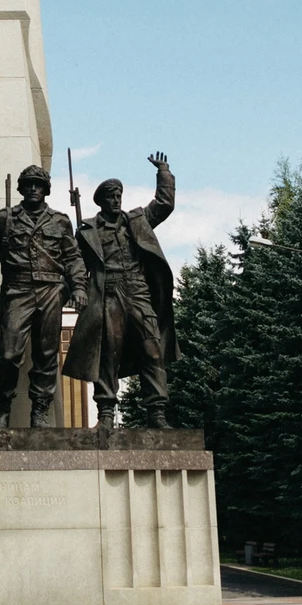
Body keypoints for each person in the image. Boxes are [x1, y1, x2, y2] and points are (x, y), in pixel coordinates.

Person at [65, 152, 178, 428]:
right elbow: (75, 264)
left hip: (138, 291)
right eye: (111, 197)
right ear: (101, 202)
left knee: (152, 349)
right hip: (108, 293)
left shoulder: (137, 221)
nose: (116, 201)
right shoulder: (89, 231)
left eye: (118, 196)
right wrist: (77, 290)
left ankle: (157, 412)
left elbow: (164, 204)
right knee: (108, 351)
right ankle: (105, 412)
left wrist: (163, 172)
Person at [0, 164, 88, 428]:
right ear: (21, 188)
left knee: (47, 354)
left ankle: (40, 410)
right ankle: (1, 409)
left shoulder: (60, 221)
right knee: (8, 354)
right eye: (28, 184)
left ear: (46, 189)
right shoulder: (6, 218)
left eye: (38, 185)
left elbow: (73, 258)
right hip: (16, 290)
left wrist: (79, 287)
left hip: (51, 290)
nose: (33, 189)